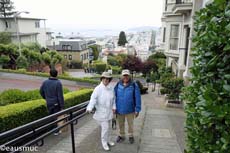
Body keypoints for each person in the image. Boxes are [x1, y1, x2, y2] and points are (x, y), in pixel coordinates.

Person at [86, 72, 116, 151]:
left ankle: (108, 140)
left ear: (109, 80)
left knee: (108, 128)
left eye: (107, 79)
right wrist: (90, 108)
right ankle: (104, 143)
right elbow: (93, 99)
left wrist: (114, 107)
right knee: (105, 128)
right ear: (102, 79)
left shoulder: (111, 88)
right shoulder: (98, 89)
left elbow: (114, 100)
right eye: (104, 78)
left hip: (109, 112)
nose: (106, 80)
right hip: (101, 113)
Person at [114, 69, 141, 144]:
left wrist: (137, 109)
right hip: (119, 109)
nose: (125, 77)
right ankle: (121, 135)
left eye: (127, 75)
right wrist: (113, 107)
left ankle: (131, 135)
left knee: (130, 124)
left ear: (129, 76)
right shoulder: (118, 85)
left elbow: (138, 97)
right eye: (124, 75)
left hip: (130, 109)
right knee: (121, 123)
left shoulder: (134, 85)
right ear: (121, 76)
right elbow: (113, 96)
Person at [40, 68, 64, 135]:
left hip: (49, 102)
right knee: (56, 117)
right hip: (56, 103)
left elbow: (41, 91)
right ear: (57, 74)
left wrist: (46, 98)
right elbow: (60, 96)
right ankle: (55, 131)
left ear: (50, 74)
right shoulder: (58, 83)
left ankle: (51, 130)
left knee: (51, 116)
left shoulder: (45, 82)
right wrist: (62, 106)